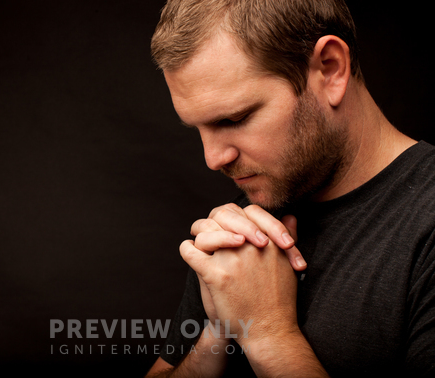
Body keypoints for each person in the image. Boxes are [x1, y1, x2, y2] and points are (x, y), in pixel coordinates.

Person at [145, 0, 435, 376]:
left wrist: (269, 334)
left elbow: (265, 331)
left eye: (235, 118)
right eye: (196, 128)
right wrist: (219, 330)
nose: (213, 158)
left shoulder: (425, 224)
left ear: (330, 69)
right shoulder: (246, 223)